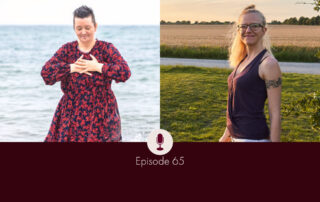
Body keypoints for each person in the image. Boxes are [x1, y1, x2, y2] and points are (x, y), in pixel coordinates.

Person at [41, 5, 131, 142]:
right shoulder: (67, 50)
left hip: (102, 113)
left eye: (87, 28)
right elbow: (46, 73)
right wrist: (71, 68)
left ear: (95, 26)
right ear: (74, 28)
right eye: (79, 28)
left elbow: (125, 72)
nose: (83, 32)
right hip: (71, 112)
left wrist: (98, 66)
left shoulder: (106, 49)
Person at [219, 5, 281, 142]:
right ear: (238, 30)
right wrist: (226, 134)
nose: (248, 30)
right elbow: (237, 104)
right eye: (244, 26)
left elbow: (275, 113)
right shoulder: (243, 60)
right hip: (236, 136)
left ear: (264, 30)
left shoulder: (268, 64)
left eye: (254, 26)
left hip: (253, 138)